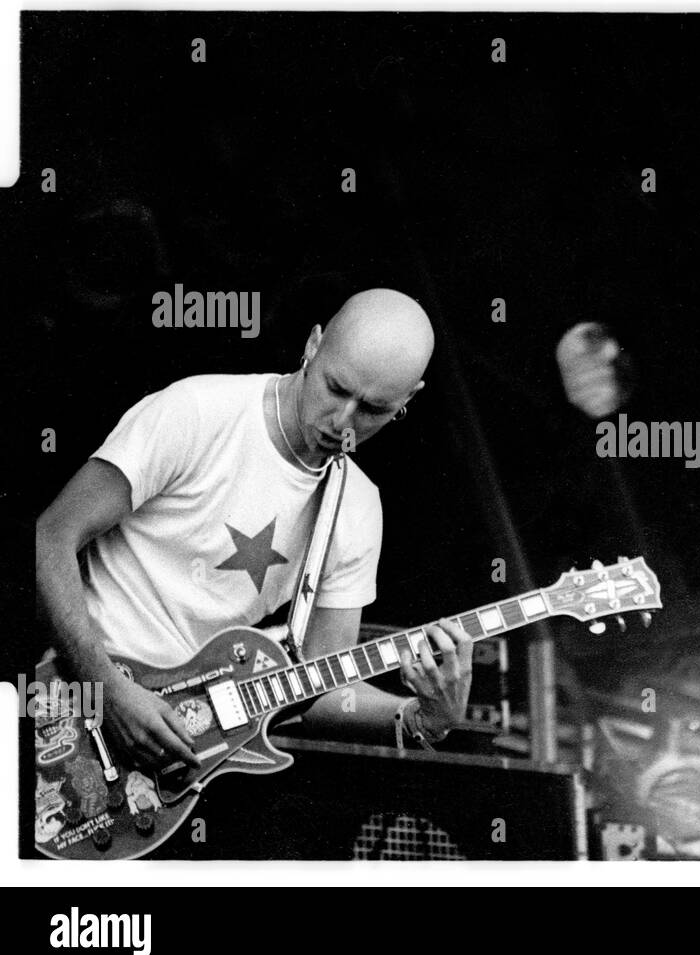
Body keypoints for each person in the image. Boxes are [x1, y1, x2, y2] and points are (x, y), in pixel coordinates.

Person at [36, 288, 474, 775]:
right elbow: (49, 537)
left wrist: (423, 719)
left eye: (372, 409)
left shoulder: (356, 508)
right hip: (69, 703)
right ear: (313, 344)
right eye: (335, 388)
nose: (342, 422)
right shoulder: (200, 411)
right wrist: (107, 691)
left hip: (176, 757)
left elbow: (322, 688)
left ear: (407, 401)